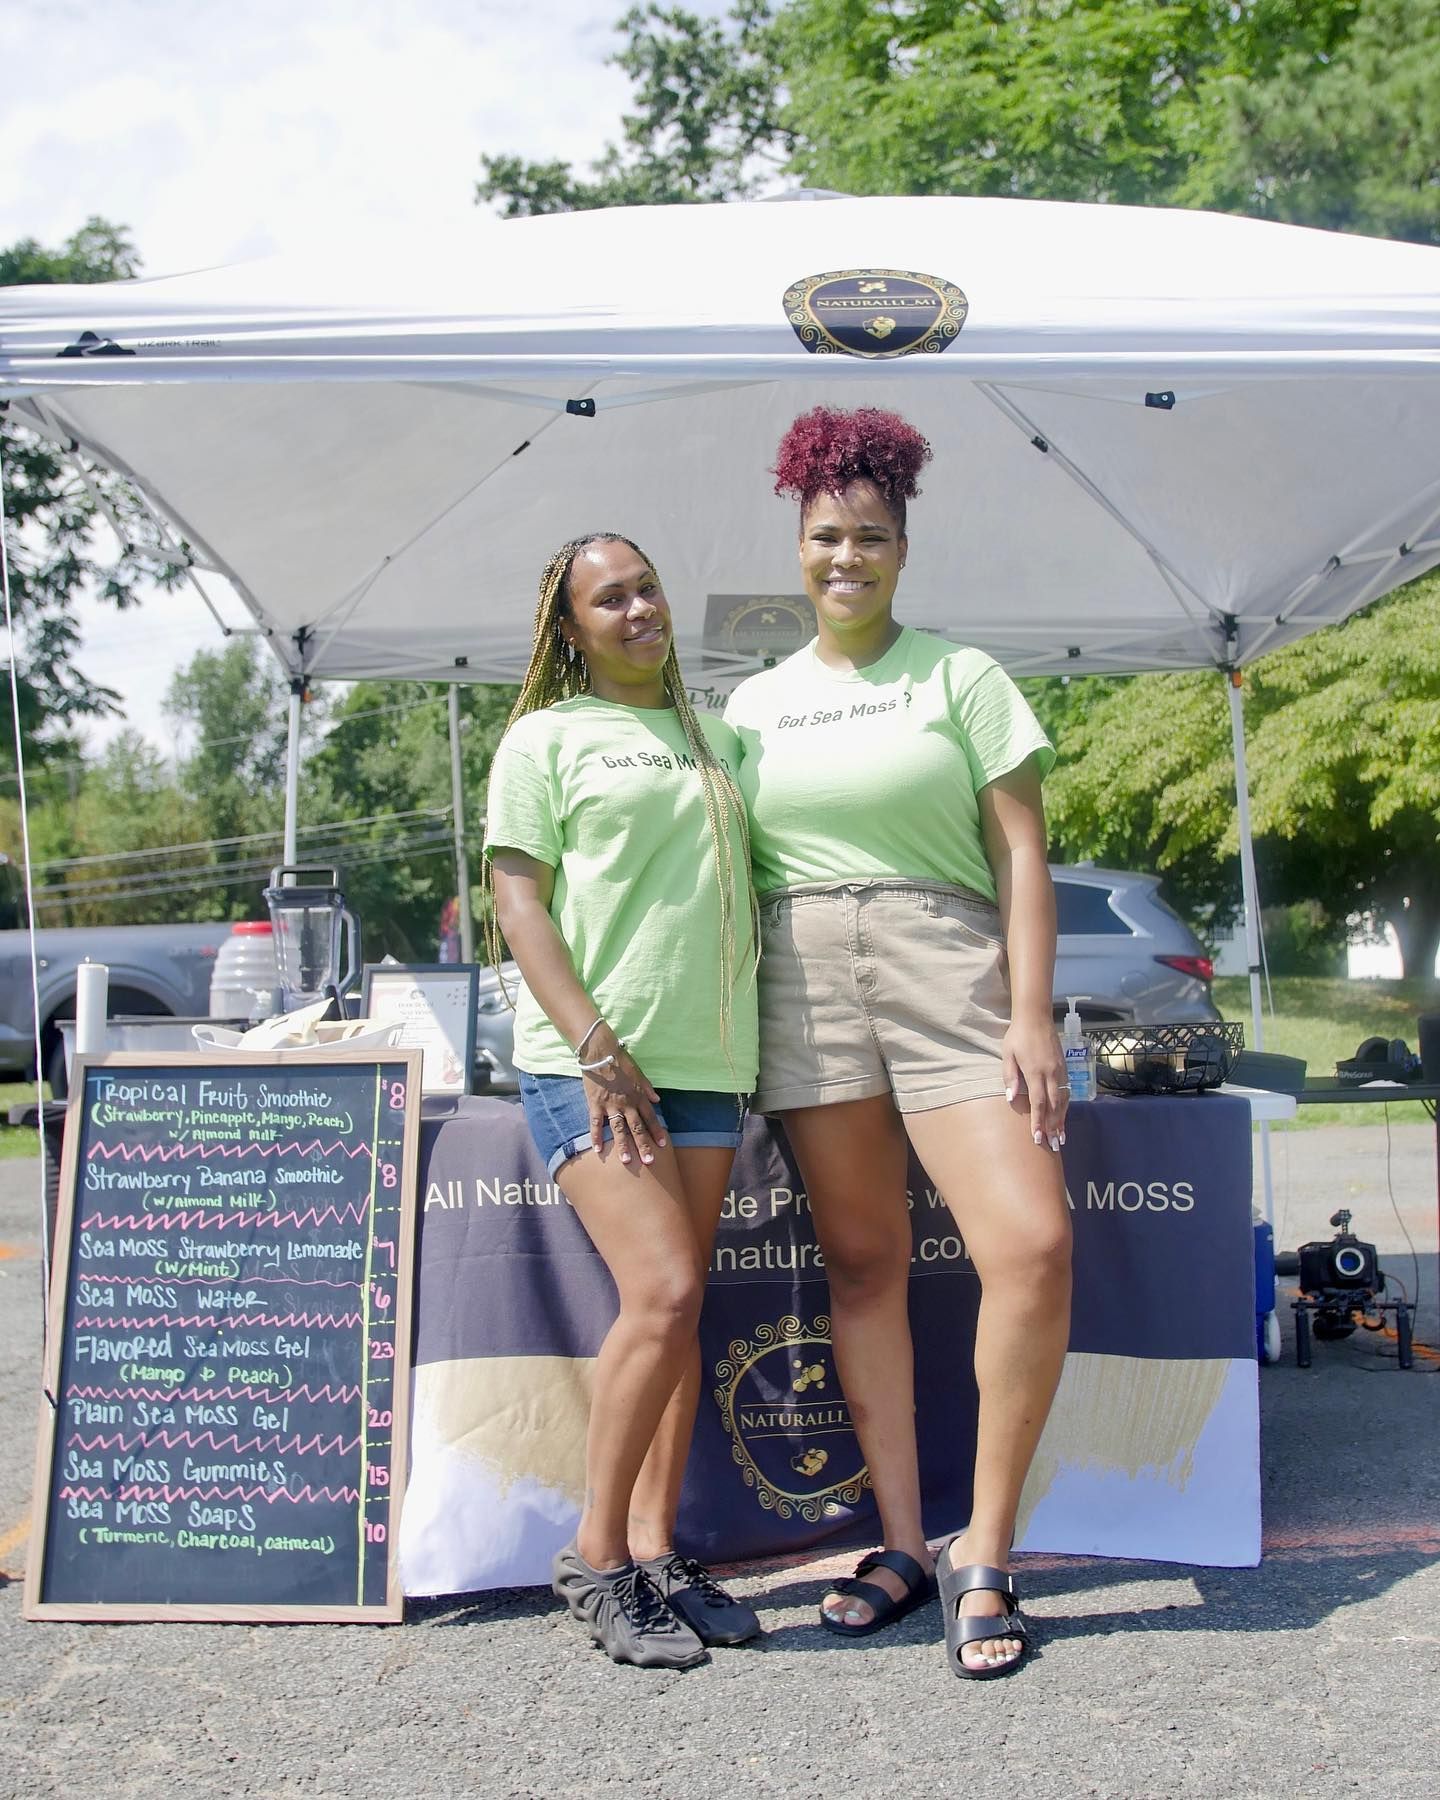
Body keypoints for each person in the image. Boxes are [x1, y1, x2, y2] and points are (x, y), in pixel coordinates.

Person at [723, 408, 1072, 1680]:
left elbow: (1023, 851)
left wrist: (1030, 1012)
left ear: (903, 549)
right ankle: (905, 1543)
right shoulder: (751, 706)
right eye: (825, 537)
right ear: (797, 548)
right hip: (803, 980)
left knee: (1029, 1244)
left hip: (948, 966)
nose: (845, 558)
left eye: (869, 536)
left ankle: (990, 1547)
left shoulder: (961, 677)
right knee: (864, 1268)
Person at [483, 532, 761, 1670]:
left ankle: (654, 1550)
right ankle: (595, 1556)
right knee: (664, 1292)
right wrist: (597, 1045)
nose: (639, 608)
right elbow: (519, 904)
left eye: (647, 587)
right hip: (594, 1062)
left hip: (710, 1058)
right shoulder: (540, 741)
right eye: (611, 598)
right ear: (571, 627)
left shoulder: (719, 738)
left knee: (680, 1317)